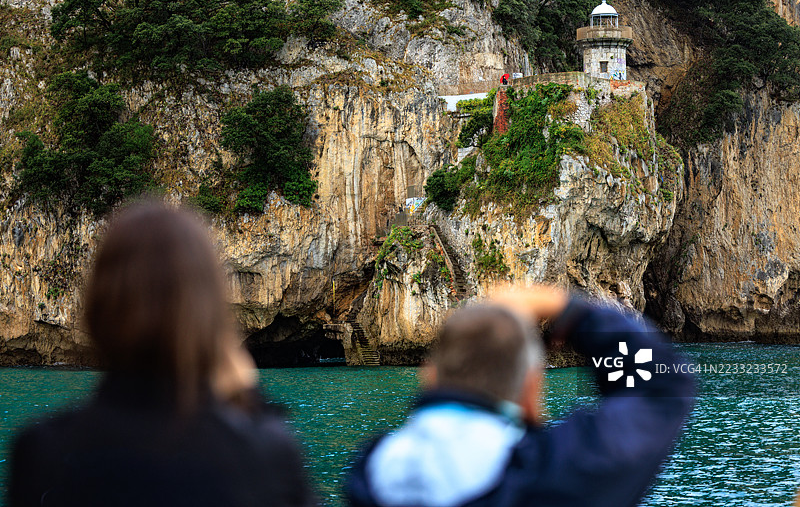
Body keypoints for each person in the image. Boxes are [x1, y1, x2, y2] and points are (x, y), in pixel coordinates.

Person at [9, 201, 314, 507]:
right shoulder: (264, 454)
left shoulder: (42, 453)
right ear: (209, 315)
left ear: (96, 310)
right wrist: (248, 398)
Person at [346, 286, 695, 507]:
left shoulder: (369, 471)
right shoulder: (544, 472)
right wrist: (570, 310)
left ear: (429, 376)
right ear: (531, 389)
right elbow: (663, 389)